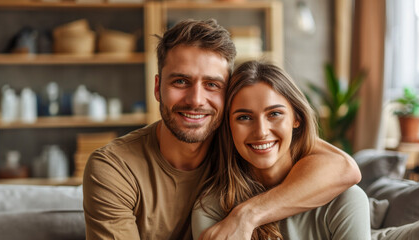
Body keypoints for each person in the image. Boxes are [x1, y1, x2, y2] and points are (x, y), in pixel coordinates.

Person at [83, 19, 361, 240]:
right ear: (158, 87)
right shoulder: (114, 168)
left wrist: (247, 215)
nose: (196, 99)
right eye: (180, 81)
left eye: (212, 85)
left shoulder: (242, 140)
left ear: (228, 95)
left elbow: (344, 168)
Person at [192, 60, 370, 240]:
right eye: (244, 117)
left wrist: (247, 215)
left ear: (297, 118)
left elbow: (347, 167)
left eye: (274, 114)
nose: (261, 131)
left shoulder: (344, 201)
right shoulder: (210, 209)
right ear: (228, 126)